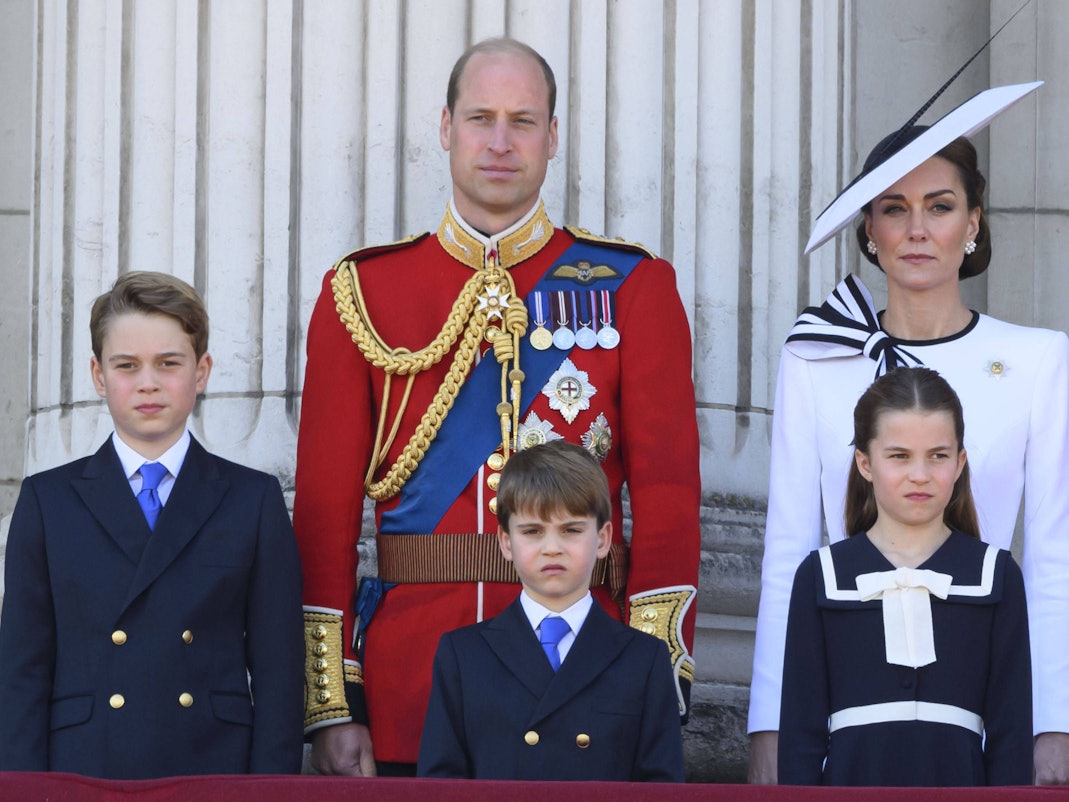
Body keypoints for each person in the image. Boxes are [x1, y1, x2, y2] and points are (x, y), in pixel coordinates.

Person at [295, 37, 700, 775]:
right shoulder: (361, 294)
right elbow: (322, 515)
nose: (500, 141)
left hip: (587, 684)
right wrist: (334, 701)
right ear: (445, 129)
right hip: (406, 688)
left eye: (523, 120)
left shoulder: (631, 286)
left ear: (552, 137)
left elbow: (669, 500)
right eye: (481, 118)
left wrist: (656, 672)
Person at [748, 85, 1069, 784]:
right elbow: (787, 551)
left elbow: (1050, 559)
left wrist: (1052, 723)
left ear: (973, 223)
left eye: (940, 206)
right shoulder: (815, 358)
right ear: (868, 229)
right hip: (844, 703)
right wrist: (769, 726)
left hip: (978, 694)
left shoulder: (1037, 359)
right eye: (894, 208)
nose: (916, 229)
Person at [0, 271, 305, 778]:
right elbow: (22, 673)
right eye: (127, 365)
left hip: (212, 766)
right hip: (83, 768)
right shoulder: (47, 501)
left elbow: (279, 672)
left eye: (169, 363)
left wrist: (270, 789)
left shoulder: (252, 500)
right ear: (99, 376)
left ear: (201, 371)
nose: (148, 382)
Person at [779, 367, 1032, 785]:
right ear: (865, 462)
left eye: (938, 455)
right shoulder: (821, 575)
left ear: (960, 461)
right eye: (899, 456)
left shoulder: (996, 574)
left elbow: (1012, 739)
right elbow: (799, 740)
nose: (920, 474)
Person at [416, 440, 684, 781]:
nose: (552, 548)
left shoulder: (644, 659)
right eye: (533, 532)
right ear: (506, 542)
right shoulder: (463, 655)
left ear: (602, 539)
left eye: (571, 530)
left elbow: (660, 786)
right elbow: (441, 786)